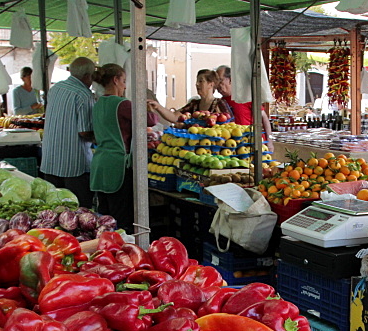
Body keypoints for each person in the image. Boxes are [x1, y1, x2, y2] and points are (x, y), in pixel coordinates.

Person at [89, 63, 158, 229]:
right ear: (115, 80)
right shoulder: (121, 104)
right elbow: (151, 120)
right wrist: (150, 107)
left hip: (99, 165)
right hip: (117, 166)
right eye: (124, 81)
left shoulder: (98, 104)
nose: (125, 85)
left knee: (104, 219)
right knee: (121, 219)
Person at [40, 57, 97, 208]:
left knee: (54, 210)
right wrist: (103, 139)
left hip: (50, 162)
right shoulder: (84, 95)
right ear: (87, 76)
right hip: (73, 166)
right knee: (78, 211)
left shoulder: (56, 88)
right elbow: (84, 132)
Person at [215, 65, 273, 144]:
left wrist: (269, 140)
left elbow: (264, 118)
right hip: (234, 145)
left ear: (231, 80)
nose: (217, 85)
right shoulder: (220, 103)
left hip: (253, 143)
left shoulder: (245, 96)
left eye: (220, 80)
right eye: (216, 82)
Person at [150, 69, 233, 123]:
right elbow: (174, 117)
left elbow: (230, 124)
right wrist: (158, 107)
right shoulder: (194, 104)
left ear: (211, 84)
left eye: (201, 81)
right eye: (197, 81)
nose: (197, 84)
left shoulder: (219, 103)